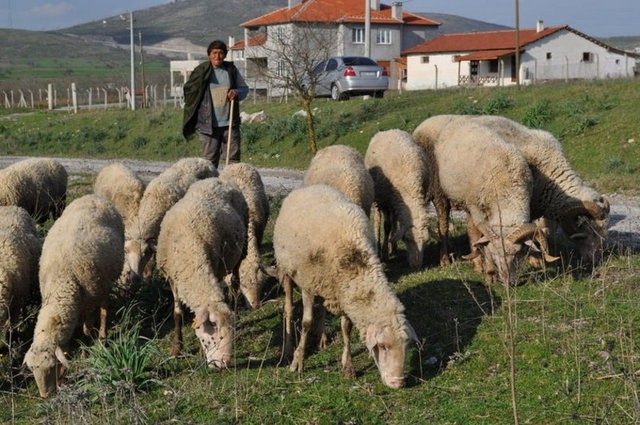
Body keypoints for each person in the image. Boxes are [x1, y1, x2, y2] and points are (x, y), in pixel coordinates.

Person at [182, 40, 249, 168]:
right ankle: (210, 187)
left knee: (233, 162)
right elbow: (190, 91)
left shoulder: (231, 70)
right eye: (214, 53)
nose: (217, 56)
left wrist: (236, 92)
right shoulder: (201, 71)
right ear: (209, 55)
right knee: (209, 164)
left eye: (221, 53)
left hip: (230, 124)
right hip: (208, 126)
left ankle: (231, 187)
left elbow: (244, 89)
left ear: (225, 55)